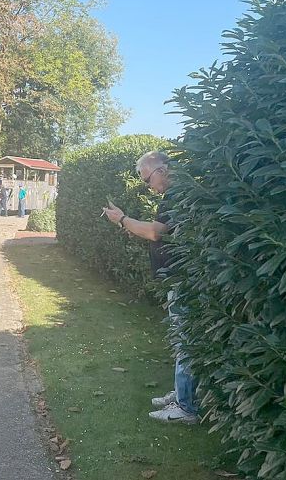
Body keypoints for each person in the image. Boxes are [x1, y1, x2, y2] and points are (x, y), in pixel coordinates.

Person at [101, 150, 199, 424]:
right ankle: (183, 394)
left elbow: (155, 232)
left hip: (183, 279)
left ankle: (186, 408)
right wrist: (125, 219)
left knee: (185, 342)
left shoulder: (177, 195)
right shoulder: (175, 195)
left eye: (147, 179)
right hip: (177, 279)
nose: (148, 186)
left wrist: (121, 220)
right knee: (182, 340)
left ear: (162, 169)